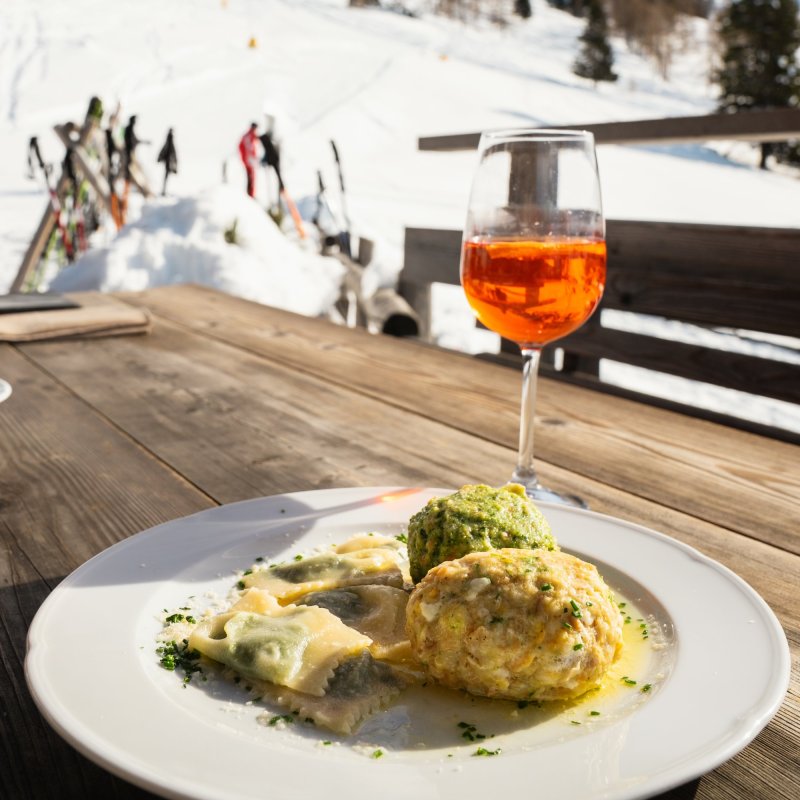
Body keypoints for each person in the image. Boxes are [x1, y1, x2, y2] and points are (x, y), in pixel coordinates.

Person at [238, 122, 259, 198]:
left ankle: (251, 195)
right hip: (249, 161)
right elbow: (248, 149)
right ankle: (250, 196)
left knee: (251, 178)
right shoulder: (248, 136)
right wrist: (250, 160)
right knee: (251, 178)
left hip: (249, 160)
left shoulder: (250, 136)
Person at [157, 128, 178, 195]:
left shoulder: (169, 139)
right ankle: (164, 191)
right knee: (166, 176)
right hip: (168, 160)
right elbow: (169, 149)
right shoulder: (170, 139)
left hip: (168, 160)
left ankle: (164, 190)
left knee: (166, 176)